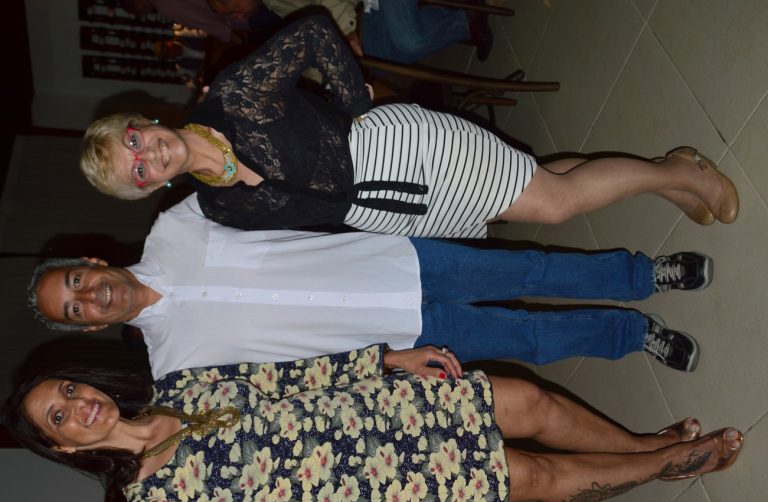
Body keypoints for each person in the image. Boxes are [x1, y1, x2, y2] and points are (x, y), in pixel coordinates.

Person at [4, 344, 743, 502]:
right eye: (59, 417)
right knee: (534, 474)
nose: (79, 404)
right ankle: (670, 465)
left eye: (68, 389)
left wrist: (387, 361)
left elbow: (287, 377)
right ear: (63, 446)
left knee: (530, 402)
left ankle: (646, 444)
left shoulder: (176, 387)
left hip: (381, 409)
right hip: (378, 486)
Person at [80, 15, 738, 239]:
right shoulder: (219, 207)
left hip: (391, 149)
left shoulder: (232, 98)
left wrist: (355, 105)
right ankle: (667, 178)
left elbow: (313, 32)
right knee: (527, 191)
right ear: (148, 188)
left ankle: (679, 173)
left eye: (133, 140)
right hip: (382, 212)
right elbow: (305, 229)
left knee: (553, 204)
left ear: (143, 122)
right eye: (136, 171)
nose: (148, 155)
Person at [28, 194, 708, 378]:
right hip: (398, 337)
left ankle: (643, 275)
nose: (89, 296)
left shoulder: (175, 227)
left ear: (90, 260)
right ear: (92, 326)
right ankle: (632, 334)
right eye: (76, 309)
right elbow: (290, 384)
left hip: (397, 260)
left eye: (77, 281)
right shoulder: (174, 365)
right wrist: (387, 366)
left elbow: (251, 175)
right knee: (524, 339)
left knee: (530, 268)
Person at [260, 0, 494, 62]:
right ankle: (464, 20)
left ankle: (465, 20)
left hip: (359, 9)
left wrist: (344, 32)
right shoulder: (271, 5)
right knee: (379, 60)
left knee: (410, 41)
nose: (241, 17)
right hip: (362, 10)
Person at [118, 0, 255, 43]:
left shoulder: (166, 7)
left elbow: (207, 22)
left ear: (139, 5)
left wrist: (242, 42)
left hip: (242, 11)